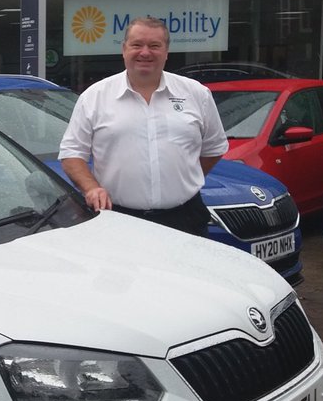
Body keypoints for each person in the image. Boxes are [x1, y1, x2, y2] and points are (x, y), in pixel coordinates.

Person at [59, 15, 227, 236]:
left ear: (166, 52)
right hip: (118, 220)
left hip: (185, 219)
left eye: (154, 46)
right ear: (124, 49)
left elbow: (213, 149)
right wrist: (91, 188)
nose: (145, 52)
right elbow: (72, 154)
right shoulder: (95, 97)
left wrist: (183, 177)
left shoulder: (196, 93)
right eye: (137, 45)